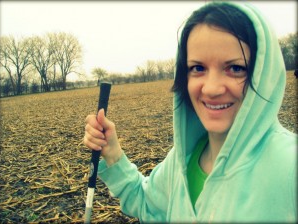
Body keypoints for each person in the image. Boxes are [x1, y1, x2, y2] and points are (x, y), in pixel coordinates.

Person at [84, 2, 297, 223]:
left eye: (235, 68)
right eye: (198, 68)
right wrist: (113, 153)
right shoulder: (182, 160)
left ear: (262, 74)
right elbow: (146, 202)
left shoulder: (290, 166)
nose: (212, 89)